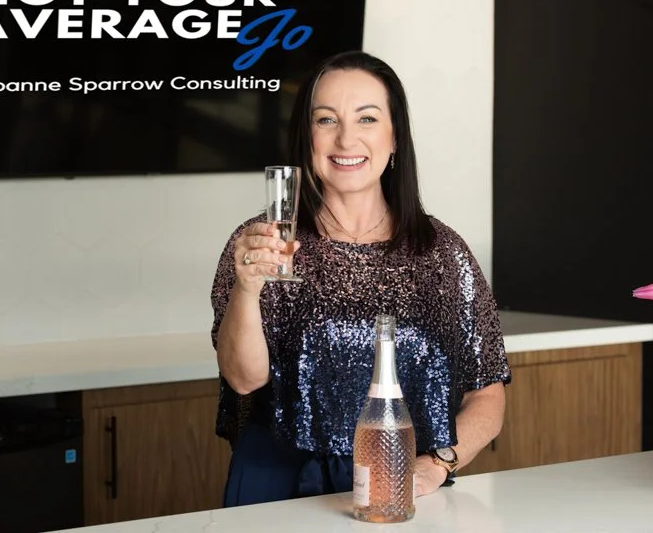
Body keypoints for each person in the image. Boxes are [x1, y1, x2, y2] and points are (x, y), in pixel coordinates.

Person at [209, 50, 511, 507]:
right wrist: (247, 288)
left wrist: (437, 464)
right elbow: (243, 379)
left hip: (397, 485)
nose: (346, 139)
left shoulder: (442, 253)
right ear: (306, 137)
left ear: (394, 138)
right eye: (326, 120)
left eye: (367, 119)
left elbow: (487, 394)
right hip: (279, 487)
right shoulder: (263, 243)